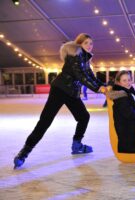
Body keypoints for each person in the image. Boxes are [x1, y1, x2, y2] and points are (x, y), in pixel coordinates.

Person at [13, 33, 106, 169]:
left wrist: (103, 85)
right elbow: (80, 76)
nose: (89, 46)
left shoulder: (85, 59)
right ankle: (24, 153)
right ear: (79, 44)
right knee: (45, 121)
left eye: (91, 43)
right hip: (60, 90)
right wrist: (98, 89)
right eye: (86, 43)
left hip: (72, 92)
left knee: (84, 117)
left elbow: (90, 75)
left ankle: (77, 145)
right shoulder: (74, 55)